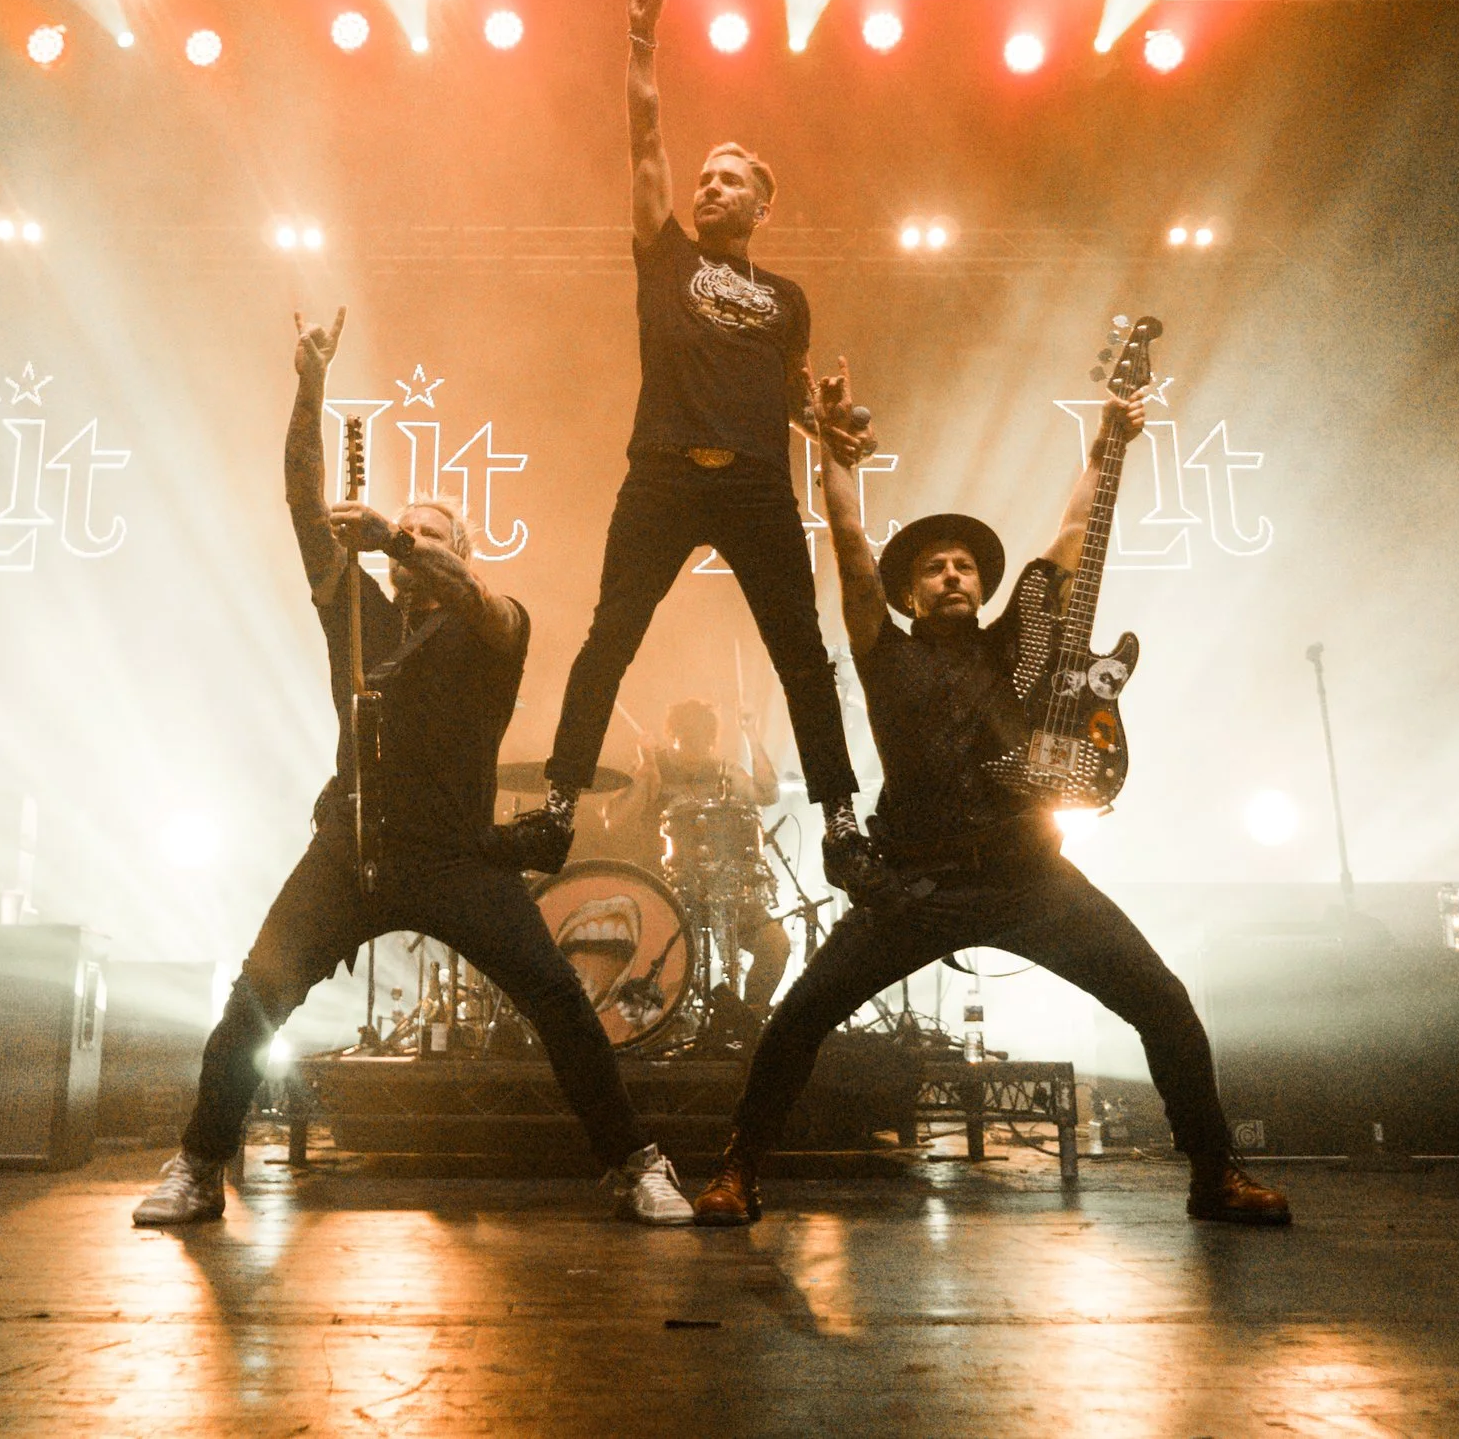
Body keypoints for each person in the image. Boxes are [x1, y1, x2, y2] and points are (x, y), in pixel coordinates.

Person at [689, 360, 1292, 1228]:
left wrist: (1105, 444)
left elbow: (1074, 533)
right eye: (933, 567)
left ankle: (1215, 1171)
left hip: (1029, 880)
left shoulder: (1020, 646)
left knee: (1164, 1003)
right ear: (908, 591)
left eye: (965, 564)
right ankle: (738, 1172)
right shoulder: (885, 651)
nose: (952, 575)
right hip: (915, 884)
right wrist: (833, 458)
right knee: (798, 1021)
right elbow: (850, 548)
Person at [133, 309, 696, 1229]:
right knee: (255, 997)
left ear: (459, 555)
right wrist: (311, 387)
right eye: (410, 538)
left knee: (557, 998)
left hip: (457, 858)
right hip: (350, 847)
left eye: (437, 536)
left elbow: (492, 607)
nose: (416, 546)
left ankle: (635, 1162)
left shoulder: (491, 626)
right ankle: (198, 1163)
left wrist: (397, 532)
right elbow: (299, 499)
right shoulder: (358, 611)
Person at [504, 0, 882, 905]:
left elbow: (790, 396)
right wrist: (643, 39)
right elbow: (641, 136)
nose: (709, 187)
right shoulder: (664, 254)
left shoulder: (787, 299)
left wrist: (827, 420)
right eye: (704, 177)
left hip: (755, 482)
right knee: (610, 638)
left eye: (729, 180)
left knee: (804, 656)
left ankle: (841, 821)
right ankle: (556, 802)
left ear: (761, 205)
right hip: (665, 473)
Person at [597, 698, 792, 1011]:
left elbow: (767, 793)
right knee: (663, 969)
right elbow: (614, 820)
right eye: (686, 742)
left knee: (775, 946)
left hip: (727, 888)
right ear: (672, 737)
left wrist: (751, 735)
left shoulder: (724, 770)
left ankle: (748, 1022)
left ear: (711, 741)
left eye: (701, 744)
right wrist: (646, 767)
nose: (693, 753)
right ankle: (671, 1029)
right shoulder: (654, 766)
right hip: (666, 891)